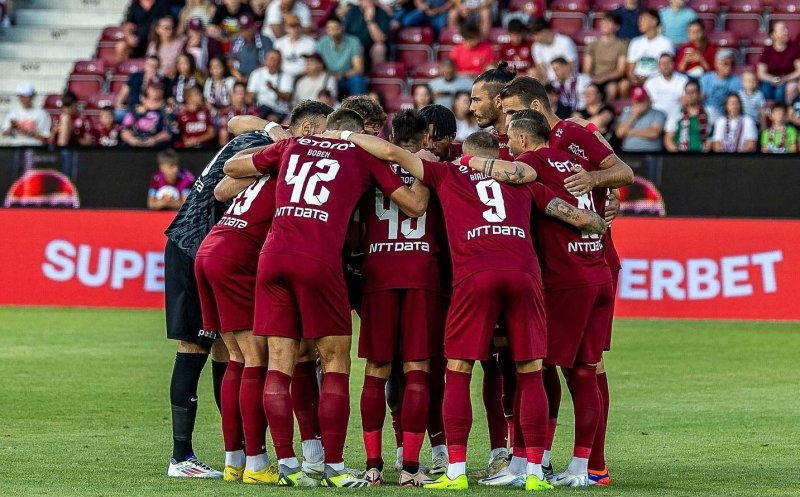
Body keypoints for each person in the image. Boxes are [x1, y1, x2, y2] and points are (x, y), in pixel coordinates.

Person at [337, 128, 607, 491]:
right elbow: (581, 219)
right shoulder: (521, 181)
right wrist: (603, 219)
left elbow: (392, 152)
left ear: (467, 153)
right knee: (530, 372)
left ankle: (456, 471)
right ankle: (533, 474)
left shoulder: (448, 172)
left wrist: (345, 134)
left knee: (459, 370)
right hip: (524, 275)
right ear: (498, 154)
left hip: (475, 275)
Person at [223, 102, 429, 489]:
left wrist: (279, 142)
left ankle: (288, 464)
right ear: (356, 131)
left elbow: (232, 168)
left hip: (273, 257)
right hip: (318, 259)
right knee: (335, 361)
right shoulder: (361, 154)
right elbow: (414, 204)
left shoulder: (291, 147)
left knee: (279, 364)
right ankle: (333, 467)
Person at [492, 75, 633, 487]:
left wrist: (595, 182)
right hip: (584, 266)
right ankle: (573, 462)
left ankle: (568, 462)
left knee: (557, 365)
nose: (503, 117)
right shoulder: (558, 156)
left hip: (577, 269)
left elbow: (620, 172)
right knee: (579, 367)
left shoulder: (567, 137)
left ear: (532, 110)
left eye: (509, 110)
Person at [163, 122, 289, 479]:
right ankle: (181, 456)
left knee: (227, 349)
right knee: (195, 347)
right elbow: (223, 189)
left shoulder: (259, 135)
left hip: (210, 246)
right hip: (193, 244)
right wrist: (274, 137)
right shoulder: (266, 147)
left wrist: (270, 127)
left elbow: (235, 122)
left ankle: (238, 453)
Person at [356, 110, 443, 487]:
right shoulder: (435, 168)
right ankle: (410, 467)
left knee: (376, 372)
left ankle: (373, 465)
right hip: (422, 274)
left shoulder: (371, 165)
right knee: (417, 372)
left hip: (378, 273)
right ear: (426, 137)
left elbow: (356, 231)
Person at [470, 62, 517, 159]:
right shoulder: (484, 142)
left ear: (499, 101)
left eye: (476, 100)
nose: (471, 108)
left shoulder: (528, 140)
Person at [317, 17, 368, 98]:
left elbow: (359, 69)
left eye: (335, 27)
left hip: (348, 78)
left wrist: (341, 75)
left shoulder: (353, 41)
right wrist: (331, 76)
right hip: (329, 77)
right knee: (319, 80)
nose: (332, 31)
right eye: (329, 28)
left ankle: (358, 108)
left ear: (342, 27)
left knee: (357, 80)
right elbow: (318, 66)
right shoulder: (322, 43)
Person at [584, 12, 629, 101]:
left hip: (612, 79)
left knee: (611, 89)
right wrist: (592, 78)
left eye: (609, 22)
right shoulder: (592, 45)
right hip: (594, 78)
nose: (604, 24)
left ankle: (606, 109)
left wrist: (603, 78)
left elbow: (620, 70)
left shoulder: (622, 45)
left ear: (617, 27)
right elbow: (587, 68)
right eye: (603, 21)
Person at [120, 80, 176, 148]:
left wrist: (155, 139)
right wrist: (131, 139)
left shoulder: (167, 109)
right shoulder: (136, 108)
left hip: (157, 144)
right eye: (153, 88)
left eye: (159, 89)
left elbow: (171, 131)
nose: (156, 91)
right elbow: (124, 129)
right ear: (147, 89)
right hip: (134, 142)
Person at [626, 8, 674, 87]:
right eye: (639, 19)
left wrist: (648, 79)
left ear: (654, 21)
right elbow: (630, 67)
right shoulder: (635, 42)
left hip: (657, 80)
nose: (640, 22)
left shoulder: (666, 43)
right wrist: (633, 78)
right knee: (624, 85)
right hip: (637, 79)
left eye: (643, 19)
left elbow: (666, 68)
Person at [757, 21, 800, 105]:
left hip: (788, 79)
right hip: (770, 80)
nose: (786, 32)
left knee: (780, 92)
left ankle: (782, 112)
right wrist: (773, 79)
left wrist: (785, 79)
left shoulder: (794, 48)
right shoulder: (767, 50)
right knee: (763, 90)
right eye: (782, 30)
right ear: (773, 35)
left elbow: (799, 70)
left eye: (786, 29)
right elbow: (761, 73)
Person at [247, 50, 294, 121]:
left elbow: (287, 97)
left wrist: (273, 89)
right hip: (261, 109)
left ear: (280, 62)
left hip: (279, 111)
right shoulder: (256, 74)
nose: (273, 63)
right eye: (270, 59)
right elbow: (250, 95)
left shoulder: (286, 76)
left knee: (272, 119)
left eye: (276, 60)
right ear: (265, 60)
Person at [615, 87, 666, 152]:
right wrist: (634, 115)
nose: (639, 104)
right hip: (629, 152)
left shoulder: (658, 113)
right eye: (637, 101)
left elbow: (653, 134)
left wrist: (630, 131)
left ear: (647, 99)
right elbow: (620, 133)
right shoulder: (626, 113)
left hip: (651, 153)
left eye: (641, 101)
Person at [342, 0, 391, 67]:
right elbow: (346, 34)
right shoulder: (352, 12)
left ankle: (377, 74)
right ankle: (358, 74)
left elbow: (380, 39)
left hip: (373, 45)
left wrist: (370, 21)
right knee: (357, 47)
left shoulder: (382, 13)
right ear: (360, 1)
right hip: (356, 45)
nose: (369, 1)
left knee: (379, 48)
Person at [663, 80, 708, 152]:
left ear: (699, 94)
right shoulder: (676, 113)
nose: (690, 95)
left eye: (693, 92)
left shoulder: (709, 113)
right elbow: (668, 139)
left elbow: (712, 139)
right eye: (687, 92)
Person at [699, 49, 742, 123]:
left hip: (728, 116)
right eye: (725, 63)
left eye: (732, 63)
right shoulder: (706, 78)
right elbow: (700, 98)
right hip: (707, 115)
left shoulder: (737, 80)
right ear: (716, 64)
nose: (729, 66)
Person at [531, 18, 578, 83]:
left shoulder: (565, 42)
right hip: (549, 83)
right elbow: (541, 68)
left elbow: (570, 66)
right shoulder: (536, 46)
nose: (534, 38)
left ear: (545, 32)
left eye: (536, 34)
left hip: (567, 81)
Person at [227, 12, 272, 81]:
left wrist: (250, 78)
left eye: (248, 28)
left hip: (259, 78)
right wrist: (239, 77)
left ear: (254, 26)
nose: (246, 32)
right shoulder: (236, 40)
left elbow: (266, 63)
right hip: (239, 78)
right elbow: (230, 62)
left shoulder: (265, 40)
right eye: (243, 29)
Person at [644, 53, 688, 121]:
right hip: (655, 117)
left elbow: (685, 100)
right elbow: (648, 101)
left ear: (673, 64)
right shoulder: (650, 82)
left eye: (668, 63)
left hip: (677, 115)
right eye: (662, 63)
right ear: (658, 66)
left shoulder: (684, 80)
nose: (665, 66)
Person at [273, 13, 317, 79]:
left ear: (301, 27)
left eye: (297, 26)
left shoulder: (310, 42)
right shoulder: (279, 43)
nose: (294, 29)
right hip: (283, 76)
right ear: (286, 28)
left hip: (304, 76)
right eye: (291, 27)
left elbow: (313, 63)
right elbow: (275, 62)